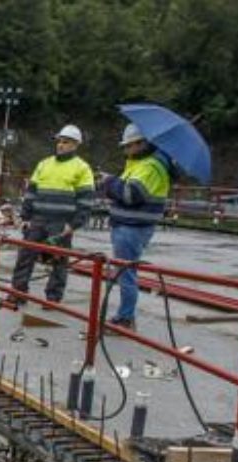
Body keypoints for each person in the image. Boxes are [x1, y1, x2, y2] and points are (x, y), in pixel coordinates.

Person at [5, 124, 95, 309]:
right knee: (25, 256)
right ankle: (18, 292)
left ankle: (53, 298)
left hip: (61, 223)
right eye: (59, 141)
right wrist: (25, 216)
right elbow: (31, 193)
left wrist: (74, 224)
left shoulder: (82, 168)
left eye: (66, 142)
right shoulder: (44, 164)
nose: (61, 145)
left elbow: (86, 200)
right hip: (38, 219)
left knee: (59, 261)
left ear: (75, 145)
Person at [100, 123, 173, 330]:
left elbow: (131, 195)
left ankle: (125, 318)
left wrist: (109, 182)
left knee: (126, 274)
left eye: (128, 146)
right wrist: (113, 182)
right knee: (124, 272)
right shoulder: (140, 163)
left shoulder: (150, 166)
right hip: (127, 226)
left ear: (141, 143)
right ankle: (125, 316)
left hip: (132, 227)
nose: (125, 150)